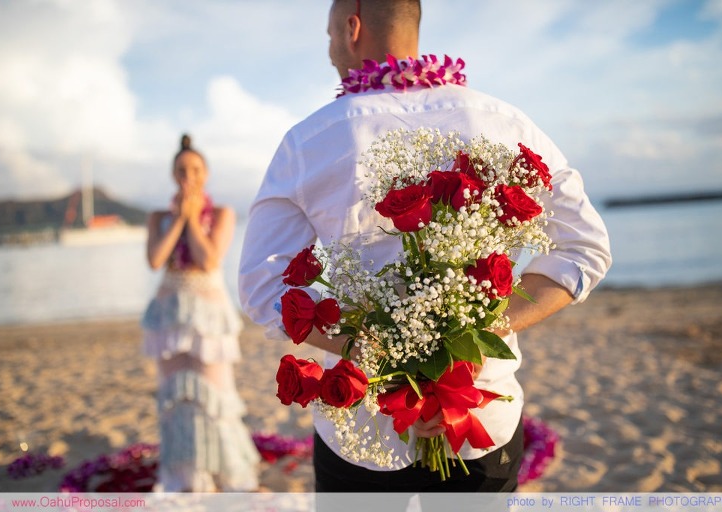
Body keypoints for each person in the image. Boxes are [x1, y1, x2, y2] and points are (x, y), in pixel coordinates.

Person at [239, 0, 611, 497]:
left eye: (329, 36)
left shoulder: (310, 140)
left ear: (352, 28)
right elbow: (584, 249)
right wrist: (479, 333)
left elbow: (262, 285)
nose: (330, 53)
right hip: (480, 412)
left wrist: (382, 355)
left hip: (363, 423)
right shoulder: (503, 120)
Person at [142, 134, 259, 492]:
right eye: (181, 170)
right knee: (176, 396)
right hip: (168, 312)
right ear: (173, 174)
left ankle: (225, 472)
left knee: (214, 393)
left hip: (207, 313)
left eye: (195, 169)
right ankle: (185, 474)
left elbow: (208, 259)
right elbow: (155, 260)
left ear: (205, 173)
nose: (188, 176)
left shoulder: (222, 213)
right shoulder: (158, 216)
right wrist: (178, 219)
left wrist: (193, 219)